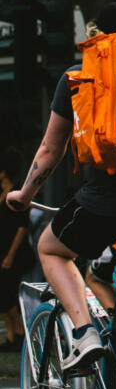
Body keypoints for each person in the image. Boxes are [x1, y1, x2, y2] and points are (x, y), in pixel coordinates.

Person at [6, 3, 116, 382]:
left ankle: (85, 334)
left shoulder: (79, 76)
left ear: (96, 36)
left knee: (50, 248)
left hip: (105, 202)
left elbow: (50, 151)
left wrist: (24, 193)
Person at [0, 150, 32, 352]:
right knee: (3, 295)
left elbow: (22, 226)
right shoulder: (1, 193)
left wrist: (10, 256)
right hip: (2, 250)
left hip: (14, 253)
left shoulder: (17, 193)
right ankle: (12, 336)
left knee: (8, 294)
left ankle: (19, 334)